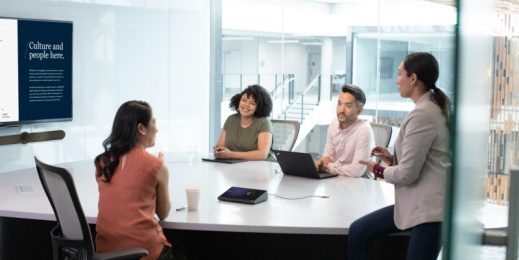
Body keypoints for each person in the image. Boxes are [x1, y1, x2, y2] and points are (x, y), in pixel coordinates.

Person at [350, 52, 452, 260]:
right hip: (419, 205)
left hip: (427, 212)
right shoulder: (431, 107)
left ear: (413, 79)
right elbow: (423, 160)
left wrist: (377, 169)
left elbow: (407, 174)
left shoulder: (423, 113)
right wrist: (390, 159)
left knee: (359, 233)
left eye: (399, 74)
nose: (396, 81)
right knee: (359, 231)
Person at [94, 100, 174, 260]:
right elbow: (163, 213)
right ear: (141, 128)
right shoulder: (156, 166)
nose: (157, 129)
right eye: (154, 122)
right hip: (145, 252)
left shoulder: (103, 162)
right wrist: (159, 168)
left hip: (105, 252)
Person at [315, 84, 375, 177]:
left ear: (359, 111)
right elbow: (328, 157)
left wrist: (329, 167)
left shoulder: (364, 130)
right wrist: (321, 164)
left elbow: (357, 171)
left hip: (361, 185)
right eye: (339, 104)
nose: (341, 110)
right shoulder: (334, 124)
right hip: (339, 180)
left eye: (348, 106)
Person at [214, 84, 275, 161]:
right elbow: (220, 146)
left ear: (259, 107)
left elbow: (262, 154)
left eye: (252, 103)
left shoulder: (264, 122)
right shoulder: (231, 119)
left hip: (261, 166)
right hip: (235, 165)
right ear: (239, 101)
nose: (246, 105)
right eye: (244, 100)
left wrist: (231, 154)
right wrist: (219, 152)